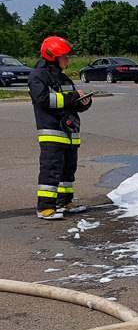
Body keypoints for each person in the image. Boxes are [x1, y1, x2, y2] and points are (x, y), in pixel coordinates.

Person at [28, 36, 92, 220]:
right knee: (51, 170)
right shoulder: (38, 76)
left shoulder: (63, 78)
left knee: (68, 171)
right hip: (52, 132)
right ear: (53, 57)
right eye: (64, 56)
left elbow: (71, 103)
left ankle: (64, 202)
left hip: (70, 132)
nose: (67, 60)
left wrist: (84, 102)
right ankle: (45, 208)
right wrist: (73, 97)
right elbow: (43, 100)